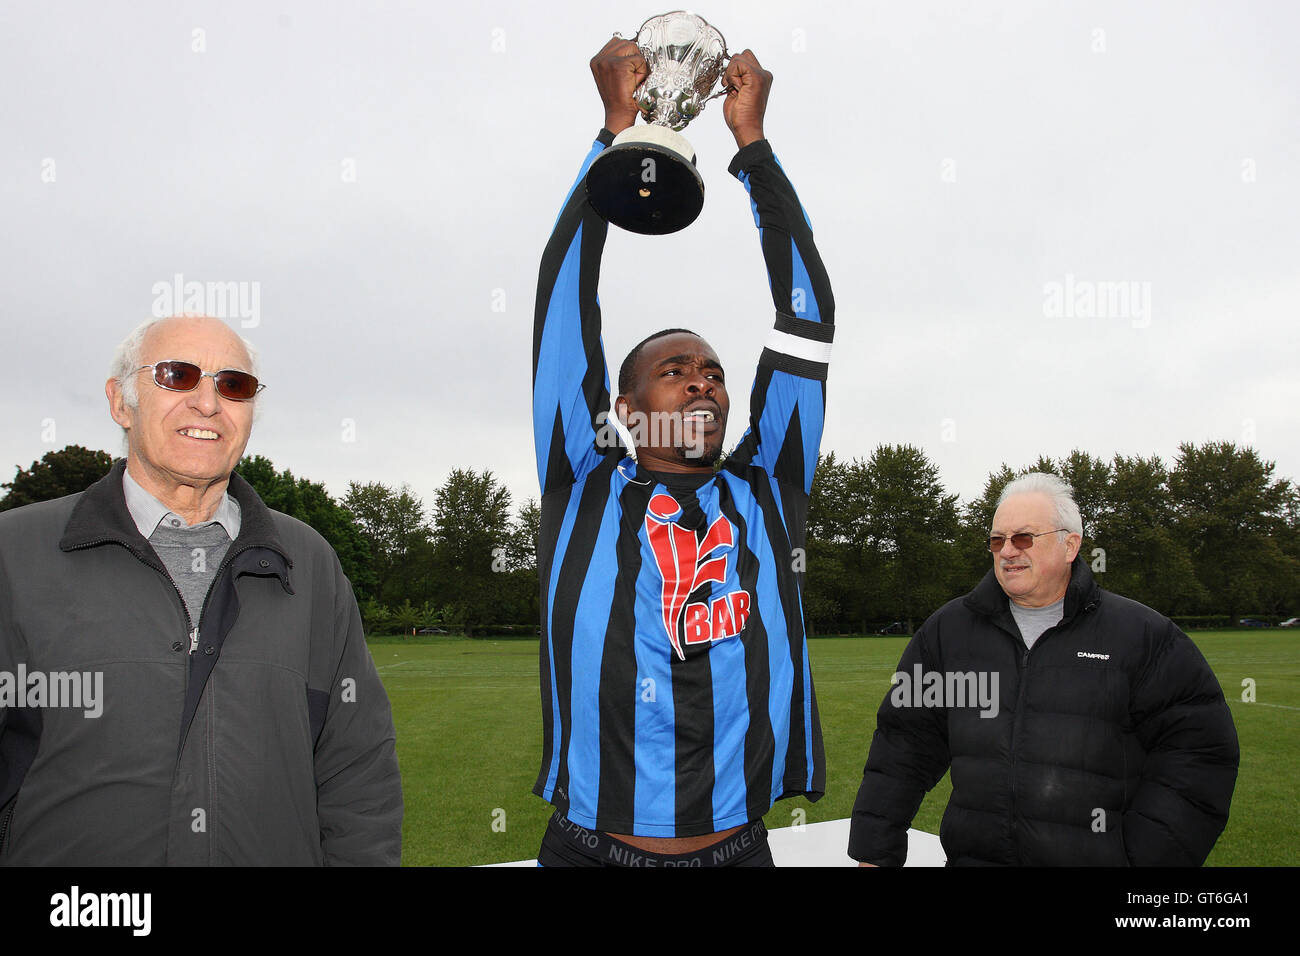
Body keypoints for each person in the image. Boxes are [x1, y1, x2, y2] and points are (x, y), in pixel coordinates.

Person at [530, 40, 835, 867]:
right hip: (593, 849)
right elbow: (563, 310)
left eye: (713, 372)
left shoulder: (768, 485)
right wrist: (614, 138)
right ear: (624, 411)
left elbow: (806, 317)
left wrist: (753, 147)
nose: (703, 385)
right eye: (674, 372)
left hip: (738, 853)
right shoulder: (583, 478)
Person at [0, 315, 402, 865]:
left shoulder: (308, 561)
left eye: (233, 385)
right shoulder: (14, 553)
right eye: (177, 375)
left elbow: (358, 766)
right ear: (121, 402)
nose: (208, 403)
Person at [848, 473, 1239, 866]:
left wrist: (1143, 856)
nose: (1007, 551)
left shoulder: (1143, 636)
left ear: (1070, 545)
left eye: (1023, 538)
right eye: (997, 540)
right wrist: (874, 852)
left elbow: (1198, 754)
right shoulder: (948, 633)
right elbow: (902, 746)